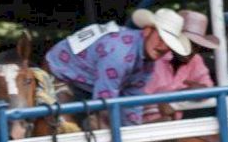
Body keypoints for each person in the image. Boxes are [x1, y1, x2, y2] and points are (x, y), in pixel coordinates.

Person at [45, 7, 192, 127]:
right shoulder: (119, 53)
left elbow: (133, 96)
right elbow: (104, 101)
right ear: (147, 31)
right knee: (72, 130)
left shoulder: (147, 61)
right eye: (161, 39)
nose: (163, 47)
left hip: (87, 82)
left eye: (169, 44)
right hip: (57, 74)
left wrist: (132, 130)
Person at [143, 11, 219, 122]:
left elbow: (208, 90)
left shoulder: (195, 59)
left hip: (174, 123)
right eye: (188, 43)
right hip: (139, 125)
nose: (192, 50)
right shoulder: (154, 56)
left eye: (197, 46)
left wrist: (198, 91)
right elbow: (135, 98)